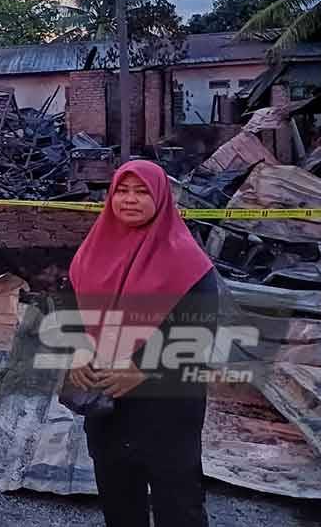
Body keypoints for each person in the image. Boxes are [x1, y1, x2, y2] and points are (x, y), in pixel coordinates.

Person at [67, 160, 218, 527]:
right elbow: (71, 315)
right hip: (107, 403)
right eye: (122, 190)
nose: (129, 200)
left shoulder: (186, 260)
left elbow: (202, 330)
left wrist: (145, 367)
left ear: (161, 199)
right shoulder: (91, 252)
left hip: (166, 406)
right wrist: (77, 352)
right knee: (119, 499)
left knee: (178, 501)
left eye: (141, 192)